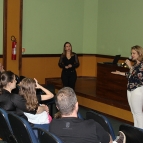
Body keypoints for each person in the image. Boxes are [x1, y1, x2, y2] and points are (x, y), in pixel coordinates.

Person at [49, 87, 125, 143]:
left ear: (57, 107)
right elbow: (108, 140)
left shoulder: (52, 125)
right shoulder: (92, 126)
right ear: (76, 105)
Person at [111, 45, 143, 129]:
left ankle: (141, 131)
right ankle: (136, 129)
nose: (132, 55)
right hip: (130, 89)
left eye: (134, 53)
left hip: (137, 89)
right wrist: (120, 73)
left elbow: (139, 76)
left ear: (139, 54)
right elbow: (130, 74)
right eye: (131, 53)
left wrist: (129, 66)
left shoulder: (142, 65)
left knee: (138, 112)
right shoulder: (136, 64)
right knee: (133, 112)